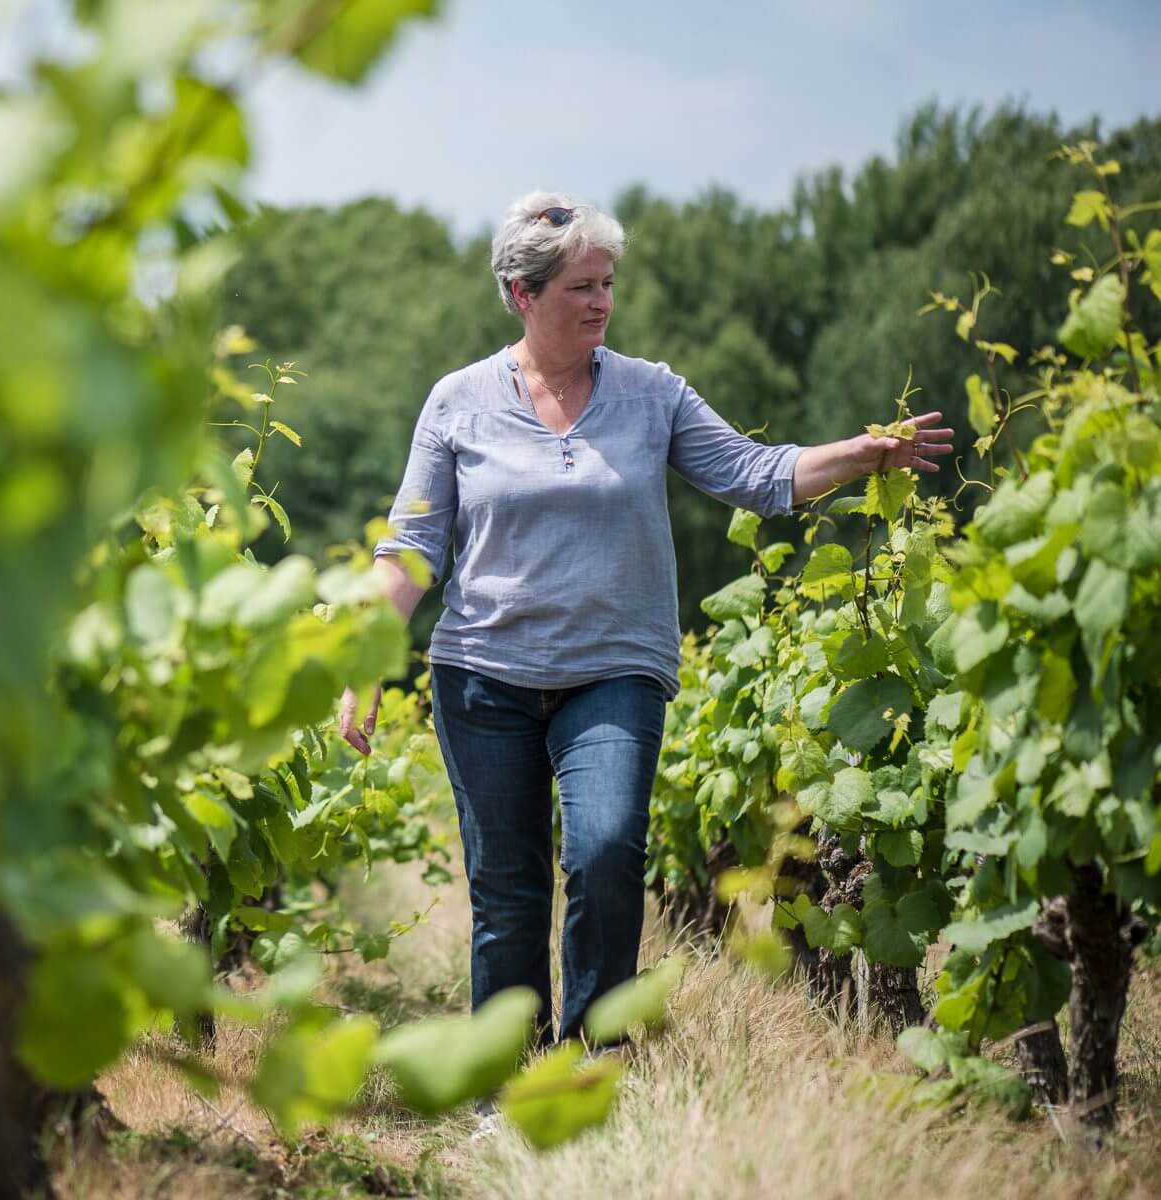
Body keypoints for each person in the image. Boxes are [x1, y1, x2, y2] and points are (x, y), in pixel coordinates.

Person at [337, 191, 953, 1051]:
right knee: (508, 885)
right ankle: (506, 1064)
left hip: (614, 671)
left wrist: (858, 455)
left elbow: (754, 474)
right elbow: (409, 548)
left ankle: (595, 1060)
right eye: (580, 287)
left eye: (607, 283)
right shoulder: (458, 402)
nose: (601, 302)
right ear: (522, 293)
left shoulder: (650, 394)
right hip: (482, 674)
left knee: (606, 848)